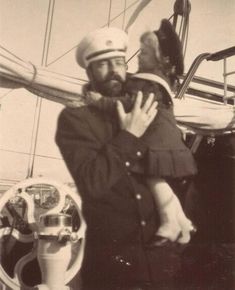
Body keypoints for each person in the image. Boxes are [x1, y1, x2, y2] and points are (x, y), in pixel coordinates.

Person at [56, 25, 192, 290]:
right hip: (113, 269)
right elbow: (93, 183)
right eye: (103, 65)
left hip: (161, 263)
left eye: (118, 62)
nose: (114, 70)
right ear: (89, 71)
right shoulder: (75, 119)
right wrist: (130, 134)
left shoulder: (144, 102)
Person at [81, 19, 197, 245]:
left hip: (156, 141)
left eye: (144, 53)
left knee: (147, 175)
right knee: (154, 178)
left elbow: (128, 104)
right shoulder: (153, 82)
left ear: (161, 59)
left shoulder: (150, 84)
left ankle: (169, 221)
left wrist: (99, 101)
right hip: (159, 139)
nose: (138, 56)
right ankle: (182, 222)